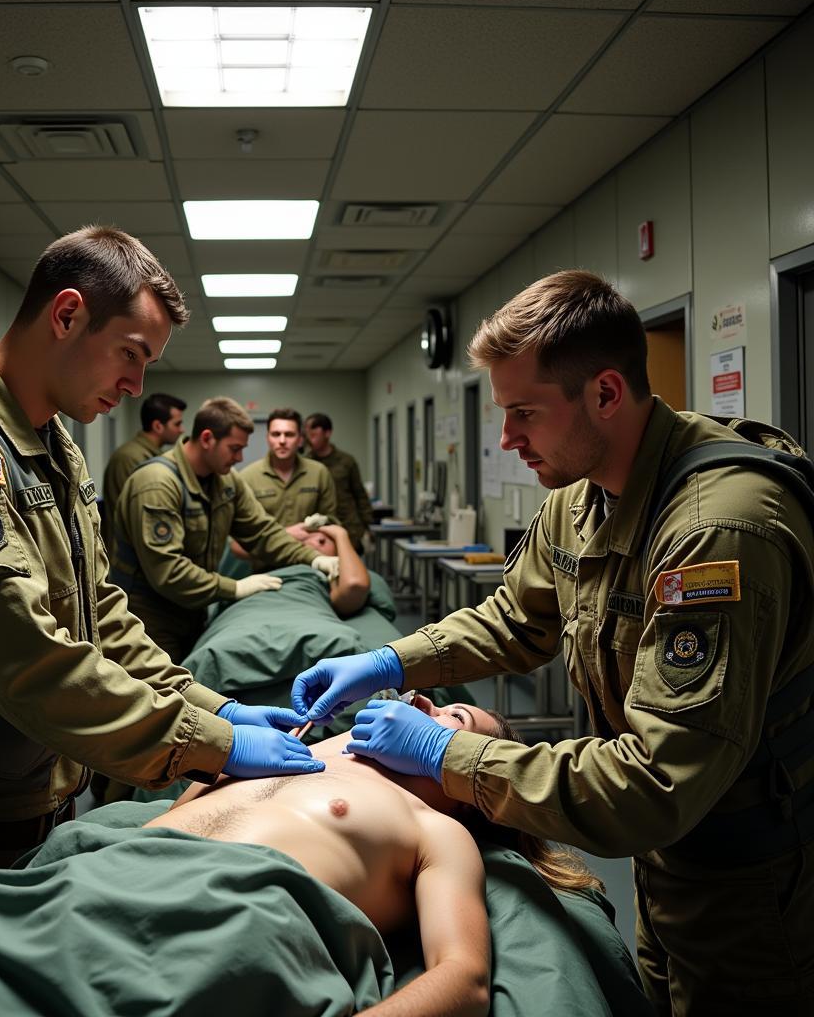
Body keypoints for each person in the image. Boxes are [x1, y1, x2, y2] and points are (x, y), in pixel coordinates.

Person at [293, 270, 814, 1015]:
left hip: (751, 874)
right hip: (668, 858)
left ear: (605, 394)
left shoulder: (715, 531)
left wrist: (448, 754)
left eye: (524, 414)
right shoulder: (581, 497)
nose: (507, 440)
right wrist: (389, 660)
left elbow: (655, 785)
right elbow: (515, 617)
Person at [0, 226, 323, 989]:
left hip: (30, 811)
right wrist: (208, 744)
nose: (137, 384)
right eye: (131, 352)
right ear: (65, 315)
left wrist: (214, 705)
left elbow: (103, 617)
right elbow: (30, 657)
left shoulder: (51, 447)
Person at [0, 699, 608, 1017]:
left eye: (454, 720)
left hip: (222, 924)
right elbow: (159, 820)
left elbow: (463, 984)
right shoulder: (297, 751)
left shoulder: (436, 831)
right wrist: (219, 749)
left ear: (471, 783)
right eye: (435, 703)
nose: (428, 710)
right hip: (85, 888)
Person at [108, 396, 337, 665]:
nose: (240, 457)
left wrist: (314, 558)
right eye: (234, 448)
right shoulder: (157, 483)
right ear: (207, 439)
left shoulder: (225, 480)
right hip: (149, 615)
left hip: (191, 608)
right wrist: (234, 587)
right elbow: (168, 572)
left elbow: (262, 532)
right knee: (162, 696)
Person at [101, 392, 185, 552]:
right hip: (128, 558)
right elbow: (137, 519)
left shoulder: (151, 455)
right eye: (177, 424)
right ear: (158, 426)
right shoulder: (130, 458)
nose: (182, 430)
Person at [239, 407, 337, 528]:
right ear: (267, 438)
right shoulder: (248, 477)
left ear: (300, 440)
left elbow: (331, 521)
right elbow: (239, 536)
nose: (282, 440)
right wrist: (289, 535)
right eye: (276, 434)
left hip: (310, 545)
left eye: (289, 435)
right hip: (267, 547)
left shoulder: (319, 473)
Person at [304, 412, 374, 552]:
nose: (310, 440)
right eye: (308, 436)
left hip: (348, 526)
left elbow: (360, 494)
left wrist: (368, 525)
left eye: (314, 435)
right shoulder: (306, 463)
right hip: (319, 529)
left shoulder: (346, 461)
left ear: (327, 433)